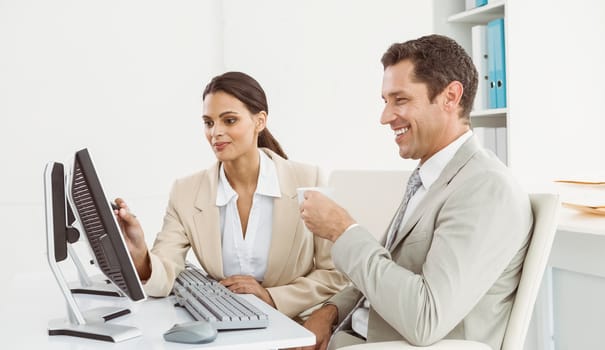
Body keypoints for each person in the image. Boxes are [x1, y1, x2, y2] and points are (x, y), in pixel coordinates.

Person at [297, 34, 533, 350]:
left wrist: (344, 231)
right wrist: (330, 310)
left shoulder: (485, 187)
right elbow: (386, 271)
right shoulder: (429, 178)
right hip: (347, 338)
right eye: (385, 102)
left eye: (401, 100)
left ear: (450, 97)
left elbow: (426, 319)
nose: (385, 117)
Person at [114, 71, 348, 320]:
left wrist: (272, 297)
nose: (215, 132)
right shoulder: (186, 191)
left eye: (229, 120)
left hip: (292, 326)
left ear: (259, 121)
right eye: (209, 122)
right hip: (224, 327)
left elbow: (334, 273)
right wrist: (140, 255)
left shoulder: (307, 180)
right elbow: (165, 271)